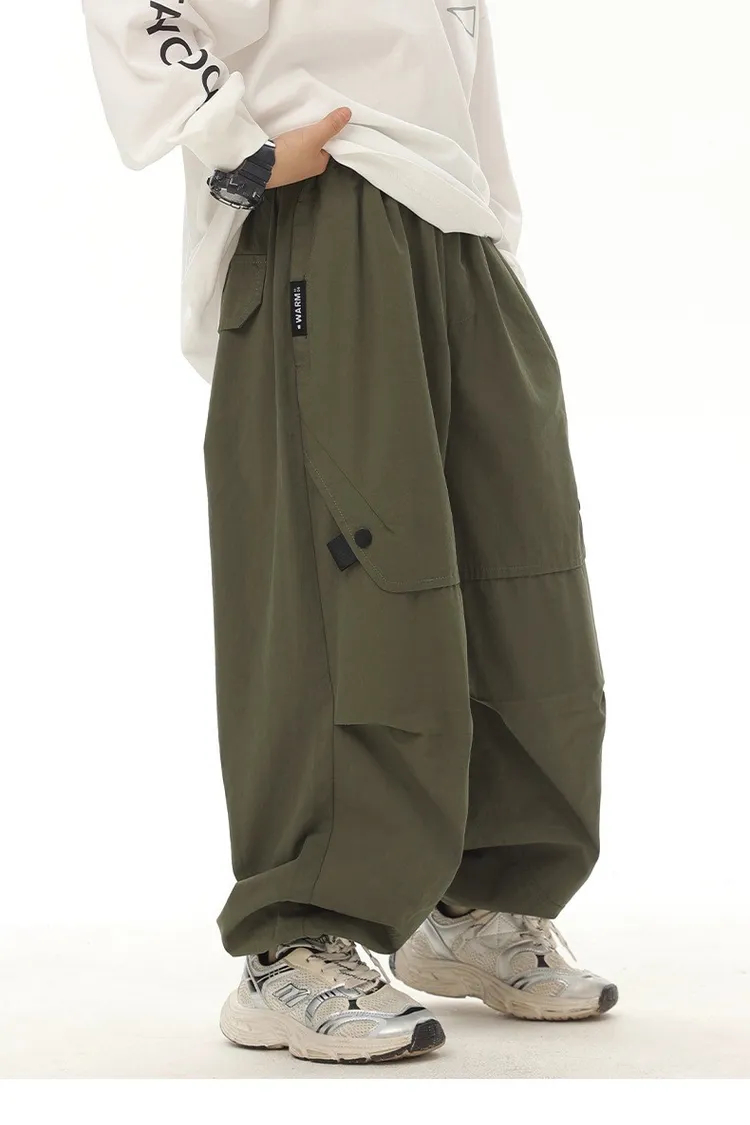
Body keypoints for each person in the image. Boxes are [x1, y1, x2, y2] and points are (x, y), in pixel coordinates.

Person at [83, 0, 615, 1065]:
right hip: (330, 201)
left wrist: (489, 227)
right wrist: (238, 149)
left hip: (458, 233)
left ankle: (475, 904)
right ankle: (293, 940)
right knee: (350, 583)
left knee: (521, 568)